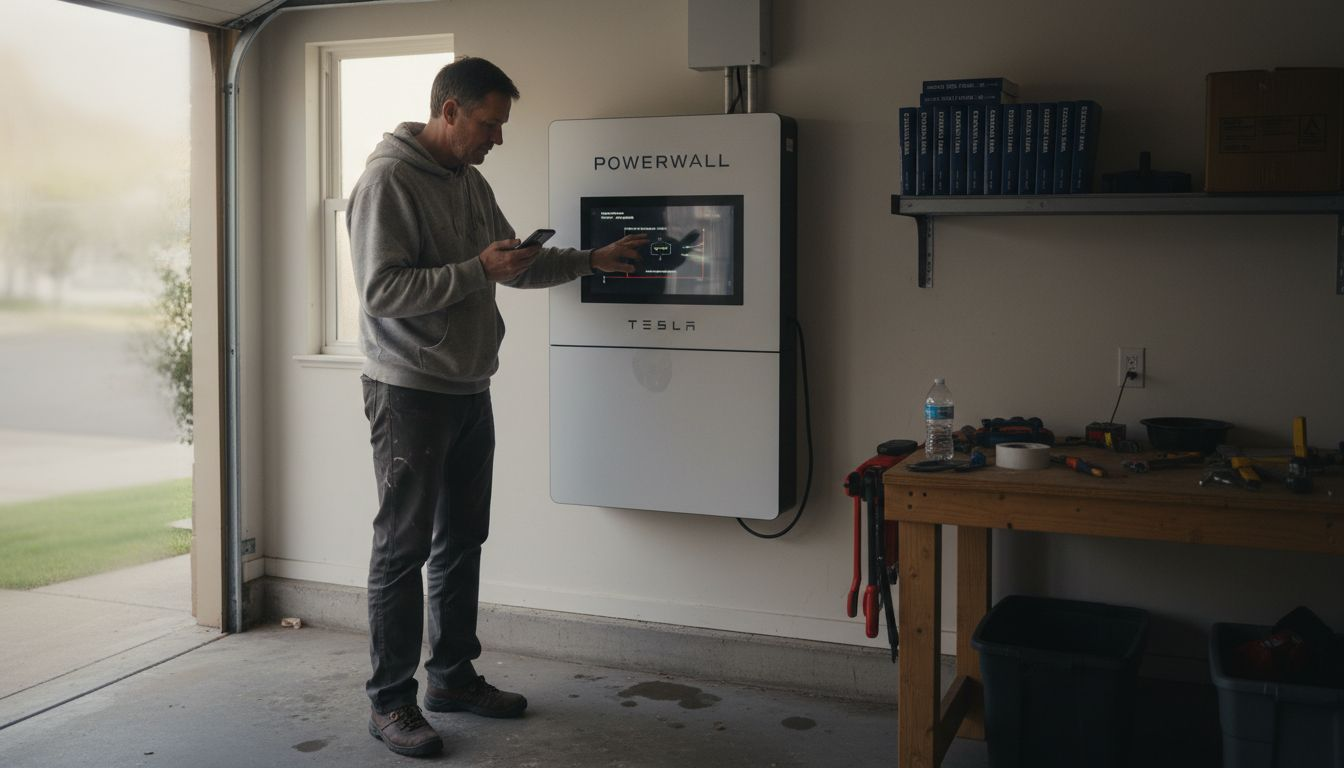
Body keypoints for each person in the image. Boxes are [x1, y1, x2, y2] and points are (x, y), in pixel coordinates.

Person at [347, 56, 646, 758]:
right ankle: (390, 704)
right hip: (408, 391)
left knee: (461, 539)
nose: (497, 138)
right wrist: (475, 271)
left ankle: (451, 677)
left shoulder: (470, 183)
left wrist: (592, 260)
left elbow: (513, 265)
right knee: (402, 548)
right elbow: (381, 292)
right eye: (489, 123)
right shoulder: (387, 180)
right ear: (449, 111)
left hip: (467, 385)